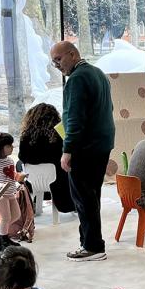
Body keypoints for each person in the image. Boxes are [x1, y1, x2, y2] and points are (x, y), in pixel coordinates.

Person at [50, 41, 114, 261]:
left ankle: (92, 246)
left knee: (83, 198)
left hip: (85, 148)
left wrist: (67, 150)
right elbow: (109, 108)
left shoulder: (77, 79)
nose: (57, 66)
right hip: (102, 145)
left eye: (59, 59)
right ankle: (90, 242)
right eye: (53, 62)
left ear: (72, 54)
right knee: (92, 196)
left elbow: (74, 118)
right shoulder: (98, 73)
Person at [18, 103, 74, 213]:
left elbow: (22, 157)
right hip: (58, 184)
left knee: (19, 164)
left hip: (34, 183)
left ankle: (33, 202)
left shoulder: (25, 137)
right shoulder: (59, 135)